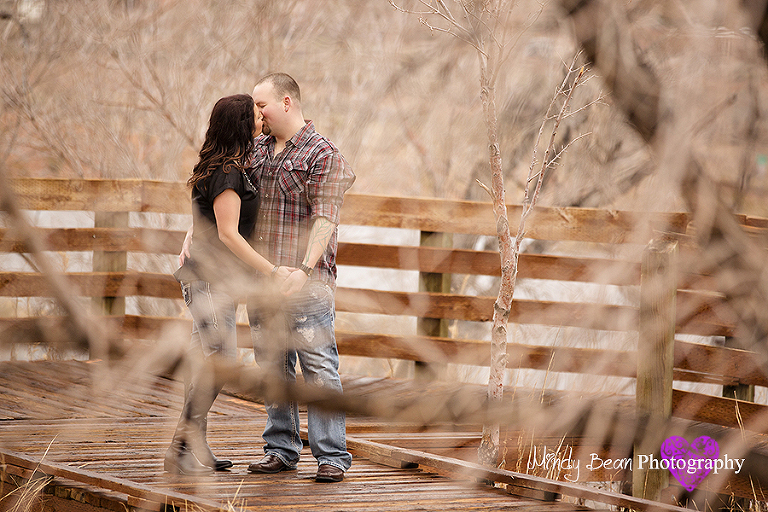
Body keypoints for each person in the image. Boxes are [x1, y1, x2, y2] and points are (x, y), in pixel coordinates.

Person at [166, 94, 291, 475]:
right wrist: (272, 271)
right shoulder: (227, 172)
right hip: (208, 282)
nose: (261, 119)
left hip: (215, 281)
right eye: (256, 115)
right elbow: (228, 234)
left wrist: (190, 233)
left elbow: (207, 220)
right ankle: (182, 445)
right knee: (222, 362)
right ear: (241, 124)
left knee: (203, 364)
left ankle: (188, 447)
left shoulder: (229, 165)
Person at [246, 73, 355, 483]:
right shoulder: (255, 150)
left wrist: (305, 270)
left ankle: (332, 456)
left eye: (262, 105)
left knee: (319, 367)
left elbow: (326, 217)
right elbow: (224, 195)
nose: (257, 114)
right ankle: (281, 448)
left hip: (307, 281)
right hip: (262, 279)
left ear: (287, 102)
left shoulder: (322, 154)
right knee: (272, 366)